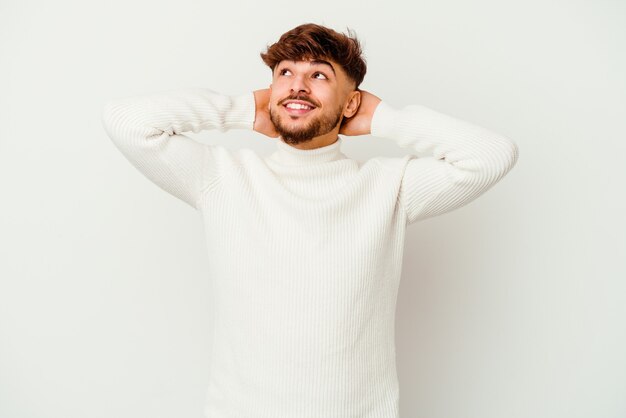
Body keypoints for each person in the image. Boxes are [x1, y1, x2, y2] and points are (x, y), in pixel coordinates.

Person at [101, 22, 518, 418]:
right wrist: (242, 110)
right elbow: (127, 122)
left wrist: (382, 118)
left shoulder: (388, 187)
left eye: (319, 75)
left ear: (352, 101)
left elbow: (491, 155)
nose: (297, 84)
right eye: (285, 72)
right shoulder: (221, 179)